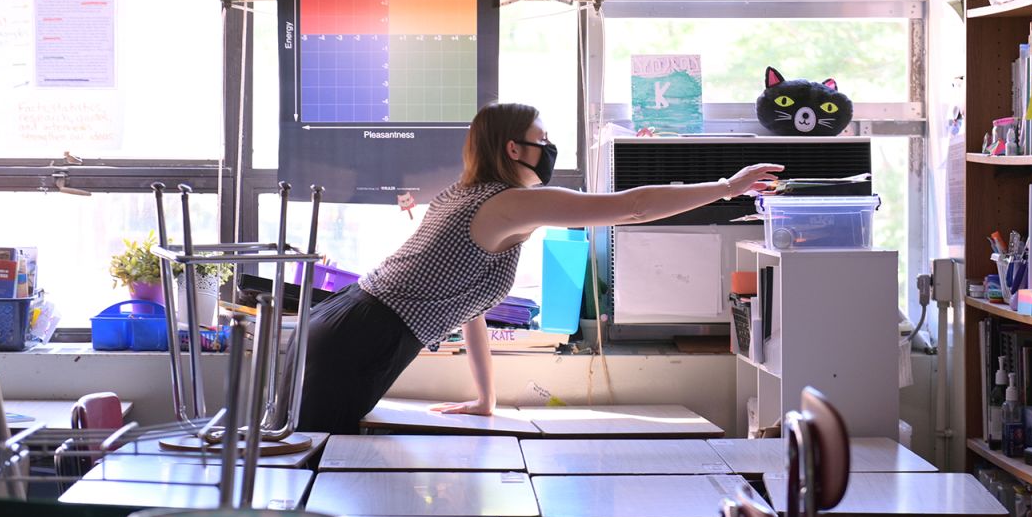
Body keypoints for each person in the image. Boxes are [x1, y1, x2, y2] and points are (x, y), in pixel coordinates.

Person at [296, 102, 782, 434]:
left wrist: (484, 398)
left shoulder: (468, 196)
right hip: (359, 337)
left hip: (352, 327)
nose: (549, 150)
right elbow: (632, 207)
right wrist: (726, 187)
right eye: (541, 140)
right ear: (513, 149)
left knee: (323, 456)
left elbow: (470, 307)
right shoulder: (509, 203)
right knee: (319, 462)